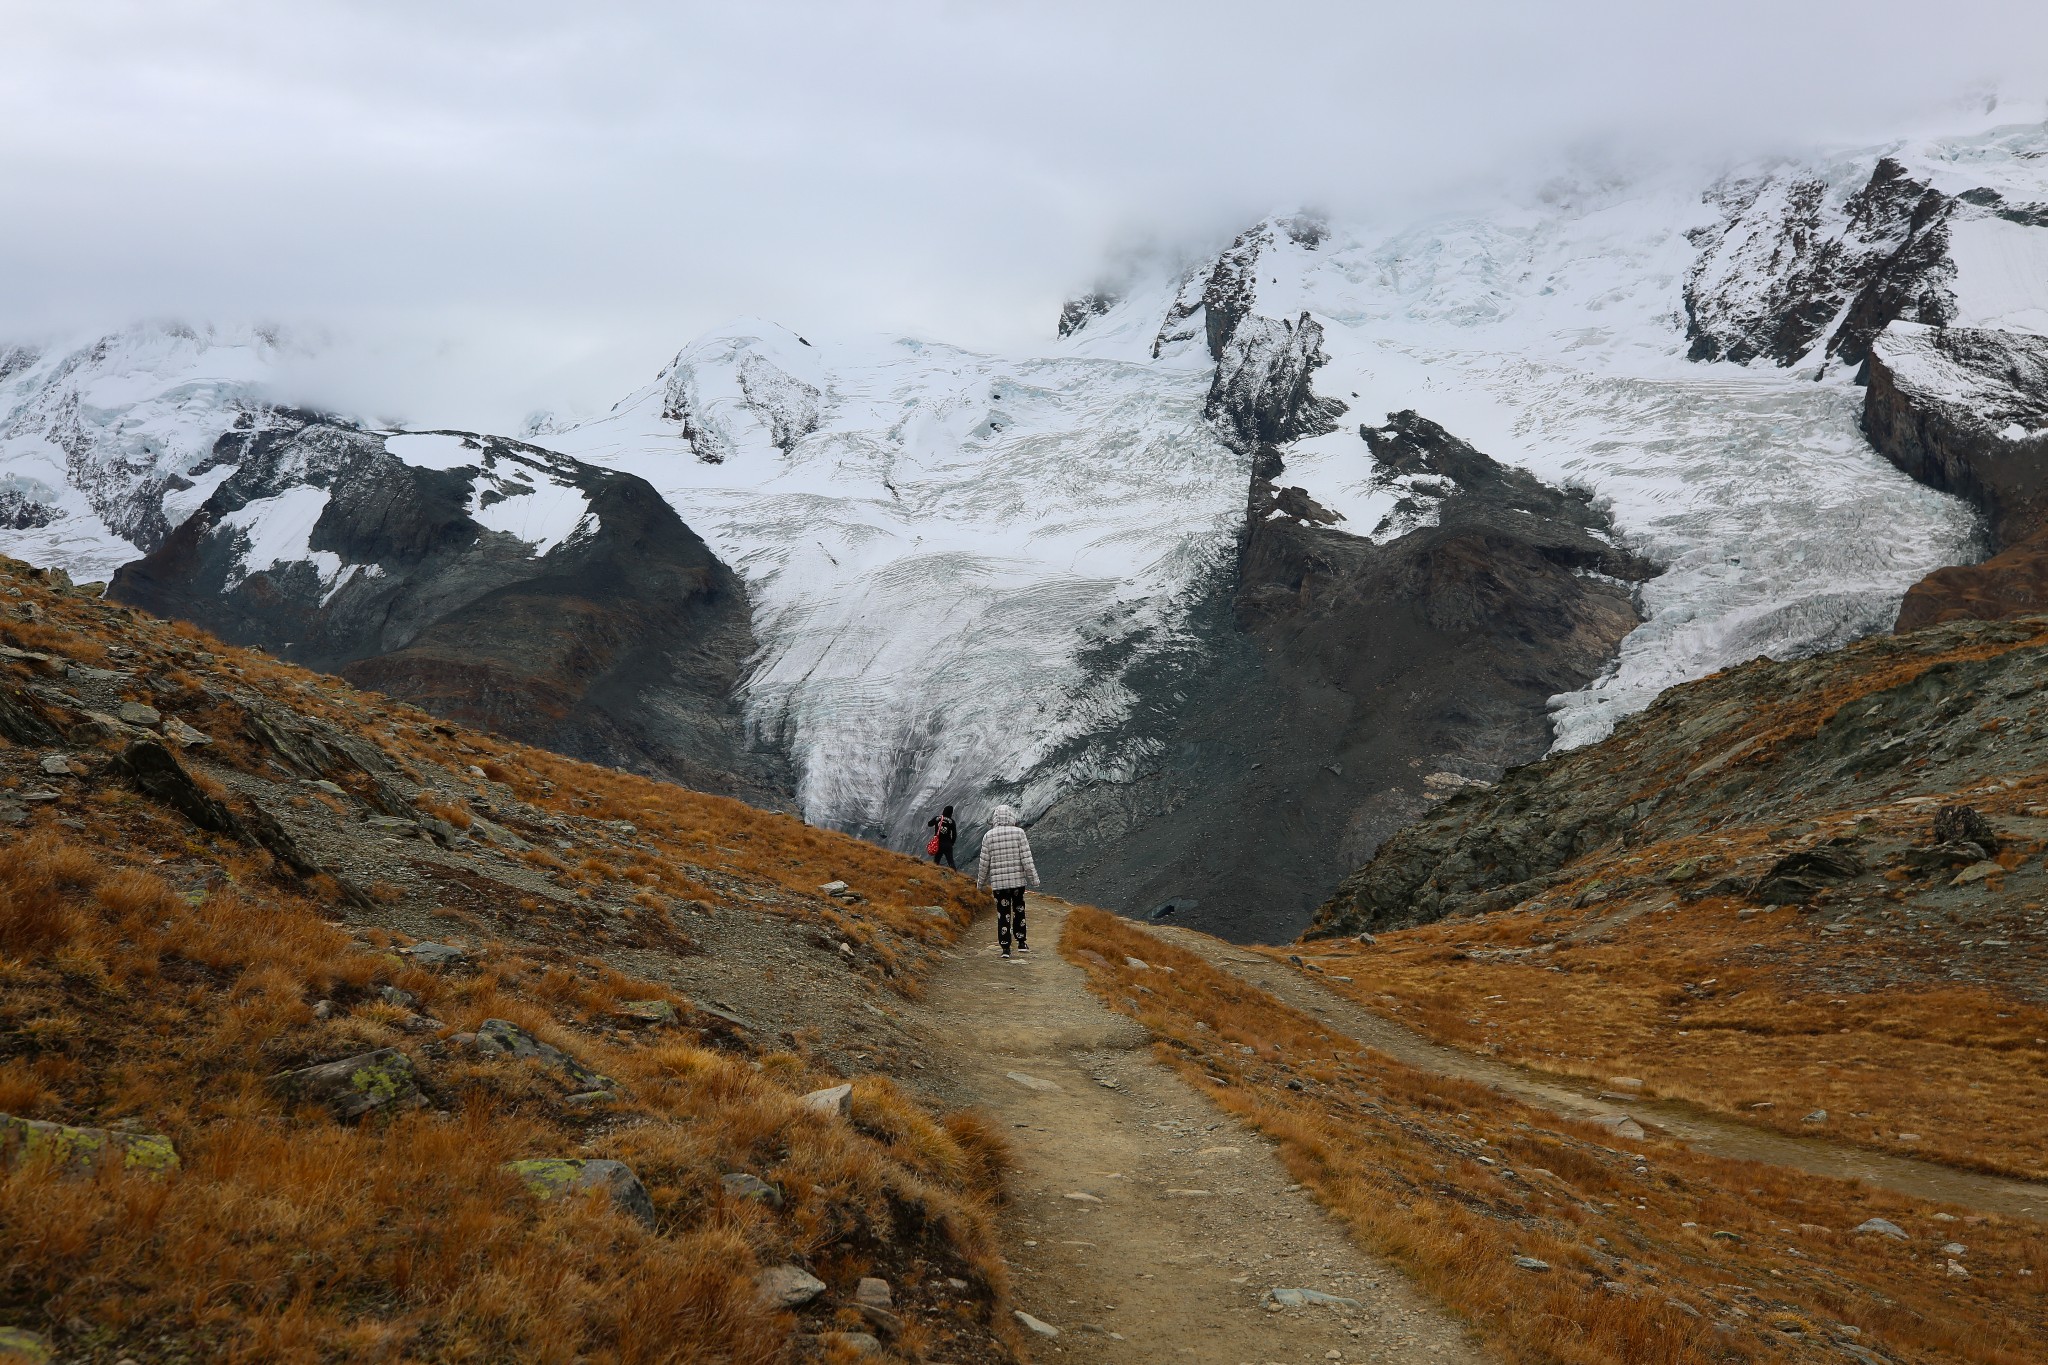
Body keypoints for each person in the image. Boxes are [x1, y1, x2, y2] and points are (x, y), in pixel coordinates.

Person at [975, 804, 1040, 960]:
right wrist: (1034, 879)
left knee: (1003, 913)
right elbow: (1027, 859)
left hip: (999, 885)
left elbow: (984, 863)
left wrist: (980, 884)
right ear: (1011, 817)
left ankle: (1005, 948)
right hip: (1017, 883)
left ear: (995, 818)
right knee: (1019, 909)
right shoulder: (1019, 833)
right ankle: (1021, 942)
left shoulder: (988, 836)